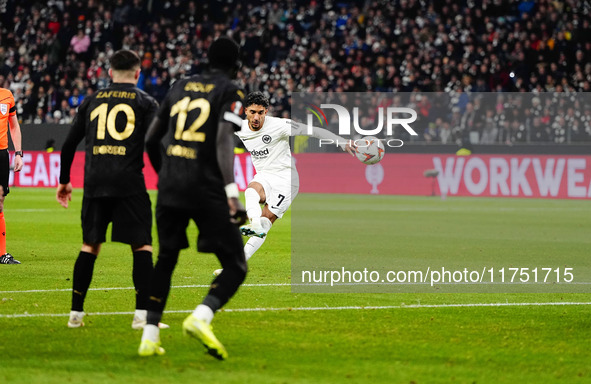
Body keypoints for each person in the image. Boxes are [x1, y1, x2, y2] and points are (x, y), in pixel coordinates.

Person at [138, 36, 247, 360]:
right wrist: (232, 192)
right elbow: (224, 140)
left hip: (171, 185)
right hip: (206, 187)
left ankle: (149, 336)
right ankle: (201, 317)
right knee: (236, 265)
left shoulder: (179, 85)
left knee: (166, 258)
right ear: (235, 63)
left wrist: (166, 174)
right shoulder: (231, 91)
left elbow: (151, 139)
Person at [56, 50, 162, 330]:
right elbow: (153, 143)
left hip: (95, 181)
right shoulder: (145, 101)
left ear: (109, 72)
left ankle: (75, 315)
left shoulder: (91, 100)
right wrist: (164, 175)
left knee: (90, 245)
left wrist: (65, 180)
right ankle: (142, 317)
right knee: (142, 245)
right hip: (129, 181)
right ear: (138, 74)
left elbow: (68, 145)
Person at [213, 91, 354, 276]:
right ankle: (250, 233)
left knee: (266, 222)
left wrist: (342, 142)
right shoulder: (239, 127)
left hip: (286, 180)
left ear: (266, 111)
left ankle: (241, 256)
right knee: (250, 192)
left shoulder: (279, 125)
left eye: (261, 112)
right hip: (265, 175)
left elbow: (311, 130)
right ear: (246, 111)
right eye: (253, 112)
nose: (257, 117)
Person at [0, 88, 23, 264]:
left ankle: (2, 253)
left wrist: (18, 153)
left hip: (1, 154)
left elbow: (13, 125)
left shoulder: (7, 95)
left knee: (0, 201)